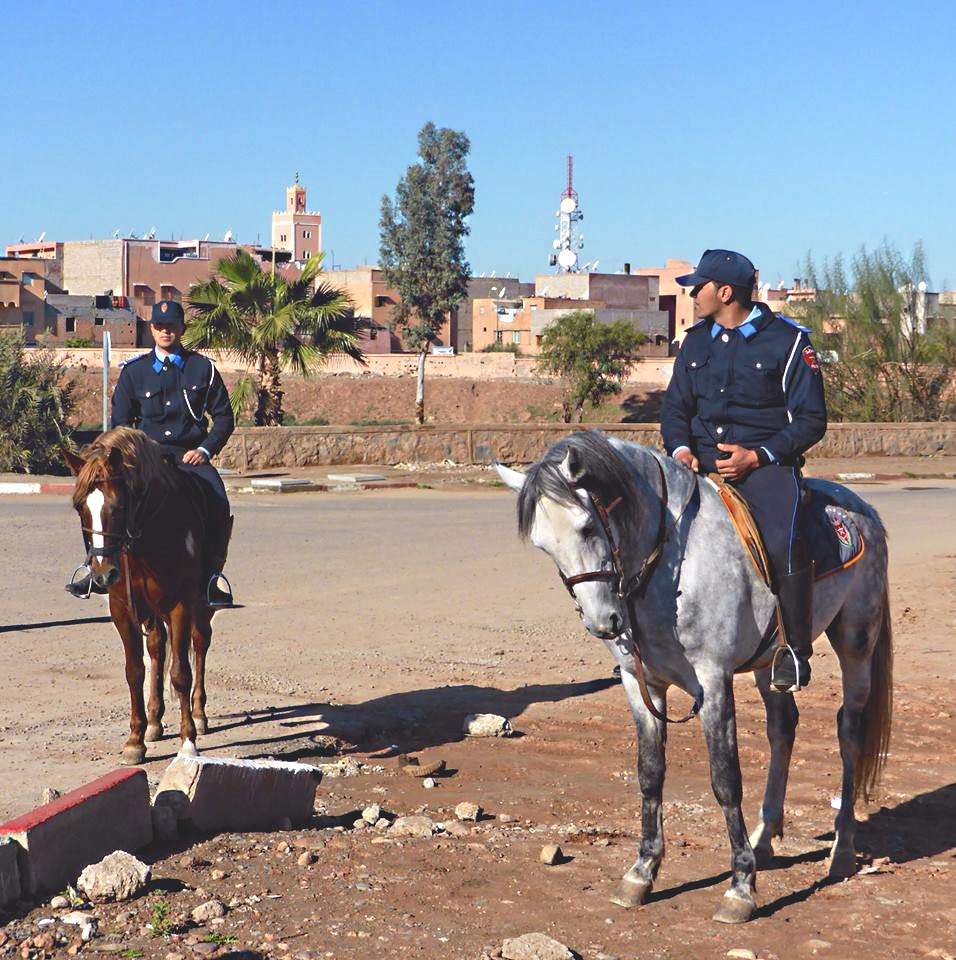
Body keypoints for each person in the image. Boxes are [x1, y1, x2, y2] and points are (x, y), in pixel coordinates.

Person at [660, 250, 827, 692]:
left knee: (780, 538)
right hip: (696, 467)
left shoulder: (789, 342)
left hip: (764, 469)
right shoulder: (694, 341)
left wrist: (758, 457)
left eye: (700, 287)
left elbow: (811, 420)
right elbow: (675, 409)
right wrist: (680, 450)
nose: (694, 294)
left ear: (725, 292)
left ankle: (794, 651)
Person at [66, 300, 236, 606]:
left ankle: (211, 576)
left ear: (182, 329)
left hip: (189, 457)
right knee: (103, 502)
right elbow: (121, 422)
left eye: (171, 325)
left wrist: (205, 449)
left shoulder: (202, 369)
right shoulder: (134, 373)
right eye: (159, 326)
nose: (165, 331)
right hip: (143, 460)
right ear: (151, 329)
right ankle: (95, 567)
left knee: (218, 499)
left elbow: (224, 417)